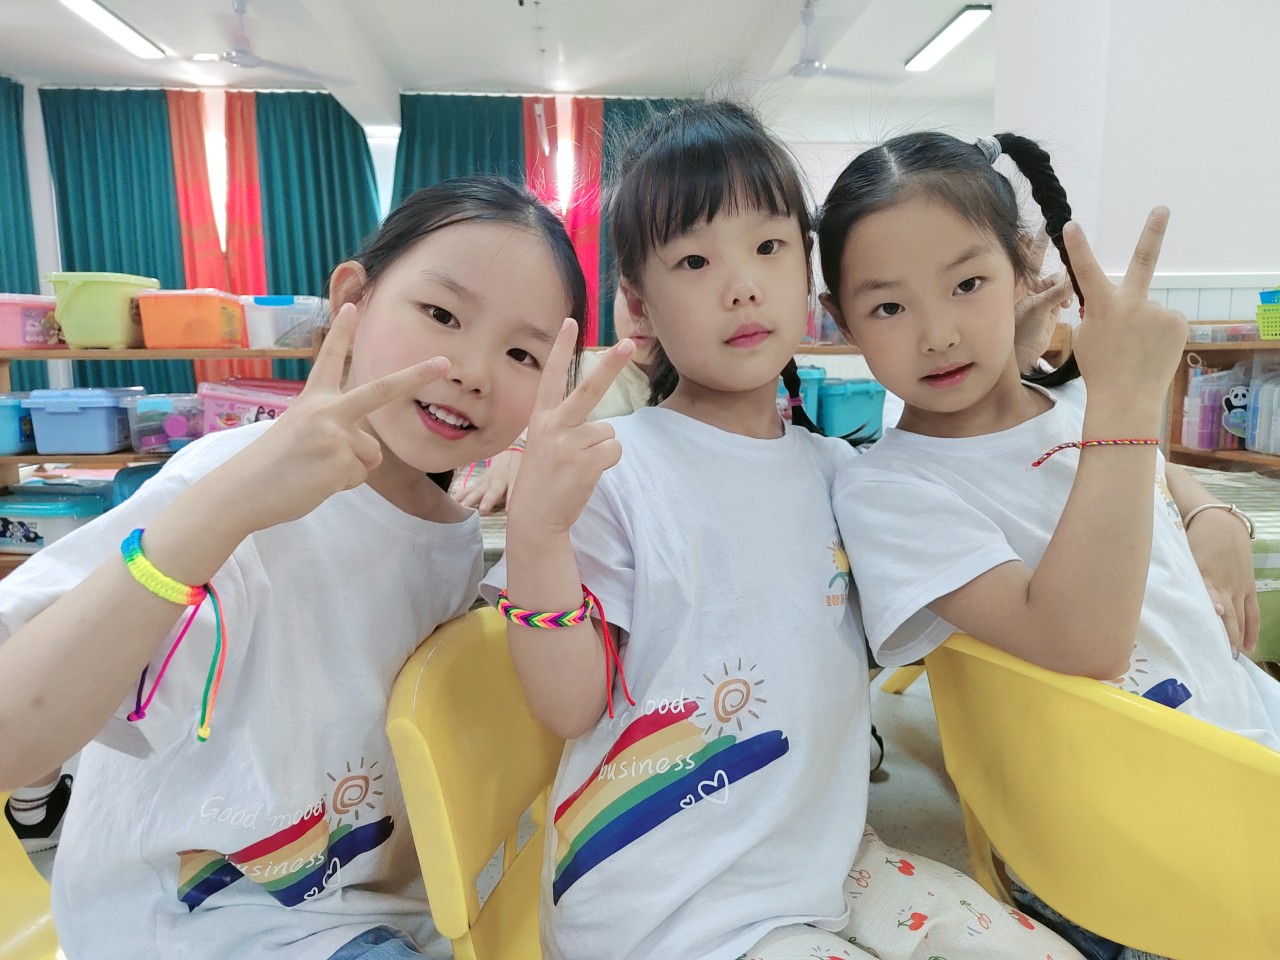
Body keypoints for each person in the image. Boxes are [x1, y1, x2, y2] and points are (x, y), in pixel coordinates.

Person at [482, 100, 1085, 960]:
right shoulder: (617, 468)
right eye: (695, 260)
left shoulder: (844, 474)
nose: (742, 285)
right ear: (638, 306)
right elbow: (568, 705)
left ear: (808, 274)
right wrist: (537, 534)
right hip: (665, 905)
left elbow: (990, 501)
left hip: (826, 865)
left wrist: (1012, 364)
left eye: (769, 247)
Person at [0, 176, 590, 960]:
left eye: (522, 354)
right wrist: (226, 508)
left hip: (368, 911)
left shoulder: (454, 537)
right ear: (352, 300)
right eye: (442, 314)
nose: (474, 370)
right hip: (193, 928)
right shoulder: (230, 477)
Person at [819, 131, 1280, 960]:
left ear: (1025, 267)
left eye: (967, 284)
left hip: (1242, 753)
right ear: (840, 318)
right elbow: (1082, 643)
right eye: (889, 307)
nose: (937, 333)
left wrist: (1214, 514)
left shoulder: (1066, 408)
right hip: (1141, 853)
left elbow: (1150, 477)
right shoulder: (887, 489)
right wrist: (1128, 400)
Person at [452, 285, 656, 514]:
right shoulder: (579, 370)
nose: (638, 312)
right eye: (627, 292)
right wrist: (516, 449)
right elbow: (528, 417)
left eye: (654, 294)